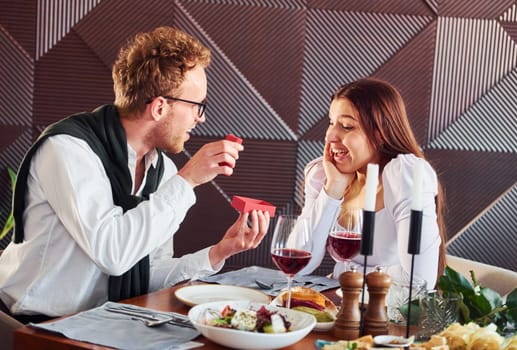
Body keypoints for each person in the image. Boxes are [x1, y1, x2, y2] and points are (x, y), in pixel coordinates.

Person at [0, 26, 270, 323]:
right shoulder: (68, 150)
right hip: (32, 326)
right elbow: (113, 254)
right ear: (159, 107)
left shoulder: (162, 170)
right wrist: (188, 180)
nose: (201, 117)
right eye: (197, 106)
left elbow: (147, 272)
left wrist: (219, 252)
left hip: (101, 324)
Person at [296, 78, 446, 288]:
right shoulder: (324, 174)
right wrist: (332, 191)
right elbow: (299, 264)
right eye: (331, 122)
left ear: (381, 132)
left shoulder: (404, 176)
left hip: (386, 313)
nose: (330, 136)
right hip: (339, 309)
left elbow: (419, 281)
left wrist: (349, 277)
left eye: (347, 126)